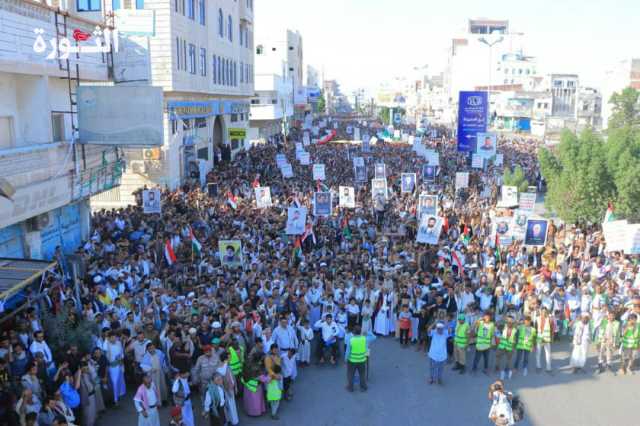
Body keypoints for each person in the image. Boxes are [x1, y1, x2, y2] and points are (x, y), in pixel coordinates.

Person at [595, 310, 620, 374]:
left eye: (613, 316)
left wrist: (617, 343)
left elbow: (618, 334)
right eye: (610, 315)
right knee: (601, 353)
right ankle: (600, 367)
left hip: (611, 341)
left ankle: (608, 366)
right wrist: (598, 341)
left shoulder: (617, 323)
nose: (611, 317)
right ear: (608, 315)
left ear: (615, 316)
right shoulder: (604, 321)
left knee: (610, 354)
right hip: (603, 340)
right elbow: (598, 328)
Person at [345, 325, 368, 392]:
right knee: (362, 374)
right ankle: (363, 387)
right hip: (362, 360)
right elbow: (366, 348)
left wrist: (346, 358)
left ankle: (350, 387)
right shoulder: (364, 338)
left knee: (350, 374)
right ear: (360, 332)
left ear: (353, 332)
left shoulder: (351, 340)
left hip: (352, 360)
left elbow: (348, 351)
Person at [535, 307, 554, 374]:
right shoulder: (537, 319)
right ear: (540, 312)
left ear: (547, 312)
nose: (544, 313)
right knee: (538, 353)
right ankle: (538, 366)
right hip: (539, 338)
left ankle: (548, 368)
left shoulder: (550, 319)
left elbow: (552, 329)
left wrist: (552, 338)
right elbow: (535, 329)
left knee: (548, 353)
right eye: (542, 311)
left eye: (545, 312)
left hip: (547, 338)